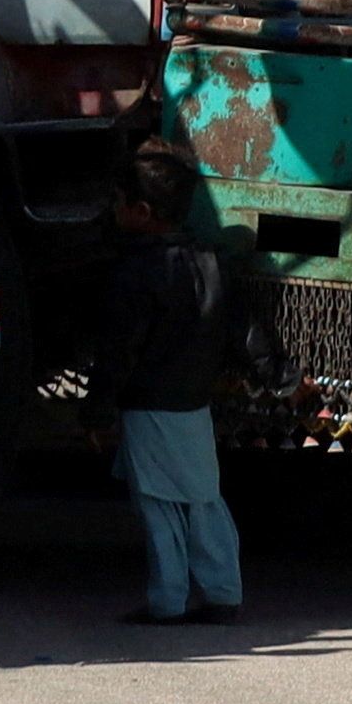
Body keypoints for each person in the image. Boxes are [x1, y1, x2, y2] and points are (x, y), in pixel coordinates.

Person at [103, 142, 258, 628]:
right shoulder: (213, 262)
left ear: (142, 212)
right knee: (204, 498)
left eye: (119, 202)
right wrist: (276, 374)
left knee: (158, 506)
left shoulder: (135, 272)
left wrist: (97, 407)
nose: (114, 211)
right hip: (194, 404)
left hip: (148, 405)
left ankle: (167, 601)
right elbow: (246, 331)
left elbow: (120, 350)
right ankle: (223, 592)